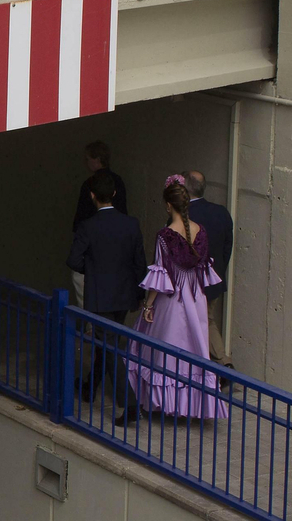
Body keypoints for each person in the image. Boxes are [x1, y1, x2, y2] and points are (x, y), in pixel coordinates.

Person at [124, 175, 230, 423]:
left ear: (168, 205)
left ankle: (164, 404)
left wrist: (148, 305)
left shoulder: (164, 235)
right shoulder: (201, 231)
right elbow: (203, 269)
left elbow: (162, 274)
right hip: (195, 299)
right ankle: (191, 407)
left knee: (166, 351)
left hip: (172, 302)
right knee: (195, 351)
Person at [67, 168, 147, 413]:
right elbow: (139, 263)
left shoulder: (88, 226)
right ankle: (90, 387)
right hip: (124, 295)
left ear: (92, 195)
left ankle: (129, 401)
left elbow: (73, 260)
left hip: (100, 296)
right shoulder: (131, 224)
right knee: (107, 342)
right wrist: (138, 294)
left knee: (109, 345)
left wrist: (92, 269)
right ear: (113, 193)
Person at [184, 170, 234, 376]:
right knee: (207, 319)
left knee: (196, 323)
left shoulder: (184, 215)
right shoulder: (221, 212)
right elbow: (226, 248)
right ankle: (221, 363)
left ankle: (218, 365)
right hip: (214, 279)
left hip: (191, 281)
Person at [71, 141, 127, 306]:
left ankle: (91, 325)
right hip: (116, 241)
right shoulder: (119, 181)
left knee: (81, 281)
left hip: (92, 242)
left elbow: (81, 217)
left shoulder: (89, 184)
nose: (86, 162)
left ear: (96, 159)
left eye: (88, 158)